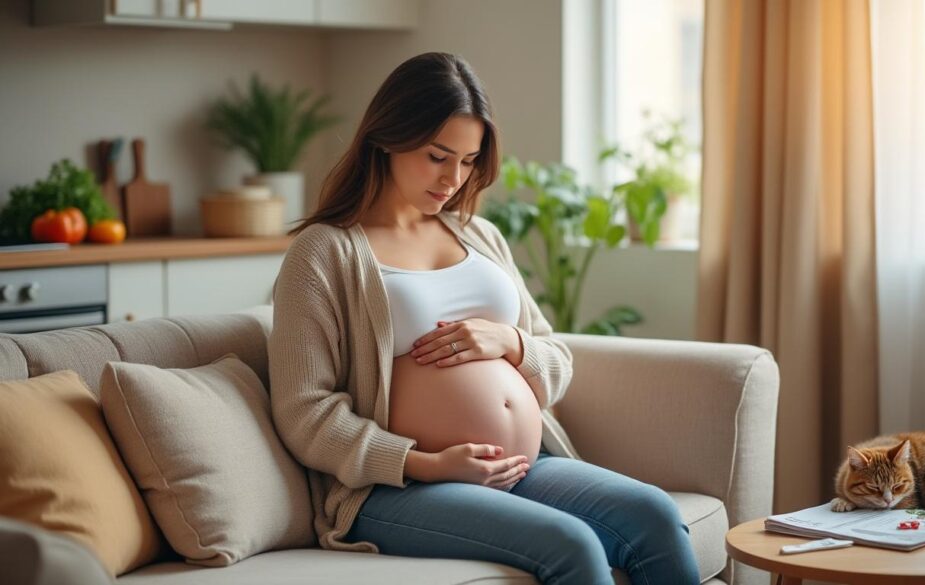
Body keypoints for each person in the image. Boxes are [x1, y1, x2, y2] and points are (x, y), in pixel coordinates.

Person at [268, 51, 701, 585]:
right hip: (398, 490)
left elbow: (556, 359)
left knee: (654, 516)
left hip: (524, 466)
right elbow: (303, 411)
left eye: (469, 161)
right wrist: (426, 463)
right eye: (437, 156)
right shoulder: (323, 253)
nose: (454, 177)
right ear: (387, 137)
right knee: (572, 545)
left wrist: (511, 342)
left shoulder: (479, 236)